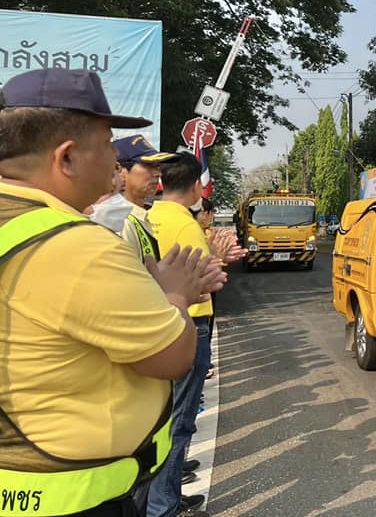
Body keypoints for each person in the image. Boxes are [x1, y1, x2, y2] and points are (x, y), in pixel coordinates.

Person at [0, 68, 225, 517]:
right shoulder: (74, 245)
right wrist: (175, 294)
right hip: (71, 496)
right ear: (66, 158)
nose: (115, 164)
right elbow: (170, 357)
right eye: (107, 147)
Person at [147, 154, 222, 517]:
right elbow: (204, 284)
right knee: (180, 420)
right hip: (189, 324)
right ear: (196, 188)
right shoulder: (186, 226)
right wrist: (218, 260)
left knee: (164, 417)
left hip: (156, 323)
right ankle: (165, 504)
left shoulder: (147, 217)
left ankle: (166, 493)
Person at [115, 134, 178, 261]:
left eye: (158, 166)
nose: (158, 173)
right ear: (121, 171)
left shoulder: (136, 217)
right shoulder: (121, 224)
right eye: (148, 166)